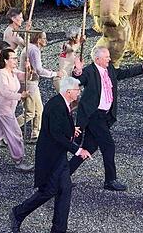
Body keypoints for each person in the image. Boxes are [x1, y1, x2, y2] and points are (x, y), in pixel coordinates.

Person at [70, 46, 143, 190]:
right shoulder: (89, 71)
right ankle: (110, 180)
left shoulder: (109, 69)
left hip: (104, 116)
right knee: (109, 146)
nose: (109, 59)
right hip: (93, 115)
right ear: (97, 59)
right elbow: (77, 80)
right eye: (106, 57)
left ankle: (62, 175)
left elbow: (123, 73)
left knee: (89, 148)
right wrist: (77, 71)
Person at [9, 77, 89, 233]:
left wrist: (71, 130)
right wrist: (78, 150)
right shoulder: (56, 105)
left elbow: (58, 127)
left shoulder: (61, 103)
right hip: (52, 157)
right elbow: (56, 134)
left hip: (59, 156)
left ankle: (59, 229)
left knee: (65, 190)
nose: (79, 93)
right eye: (77, 90)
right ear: (69, 91)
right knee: (49, 191)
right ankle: (18, 212)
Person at [18, 31, 59, 143]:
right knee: (29, 113)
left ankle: (35, 134)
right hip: (29, 82)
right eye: (44, 38)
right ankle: (6, 131)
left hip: (31, 82)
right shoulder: (34, 50)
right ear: (38, 39)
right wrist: (54, 74)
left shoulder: (30, 47)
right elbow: (39, 70)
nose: (46, 40)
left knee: (39, 109)